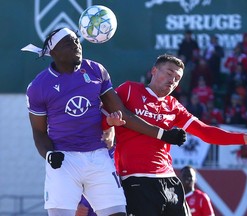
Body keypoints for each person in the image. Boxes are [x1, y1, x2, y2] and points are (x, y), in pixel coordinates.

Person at [24, 28, 186, 216]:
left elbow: (123, 114)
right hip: (64, 160)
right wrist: (49, 154)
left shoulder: (95, 70)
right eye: (69, 43)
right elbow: (39, 131)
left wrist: (163, 134)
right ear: (53, 52)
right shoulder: (38, 86)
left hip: (99, 157)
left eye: (77, 41)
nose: (77, 45)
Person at [104, 54, 247, 216]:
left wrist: (244, 138)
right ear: (154, 71)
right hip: (137, 179)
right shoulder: (128, 90)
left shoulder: (174, 106)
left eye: (178, 79)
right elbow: (101, 118)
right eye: (170, 73)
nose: (173, 80)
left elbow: (204, 131)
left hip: (170, 180)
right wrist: (109, 124)